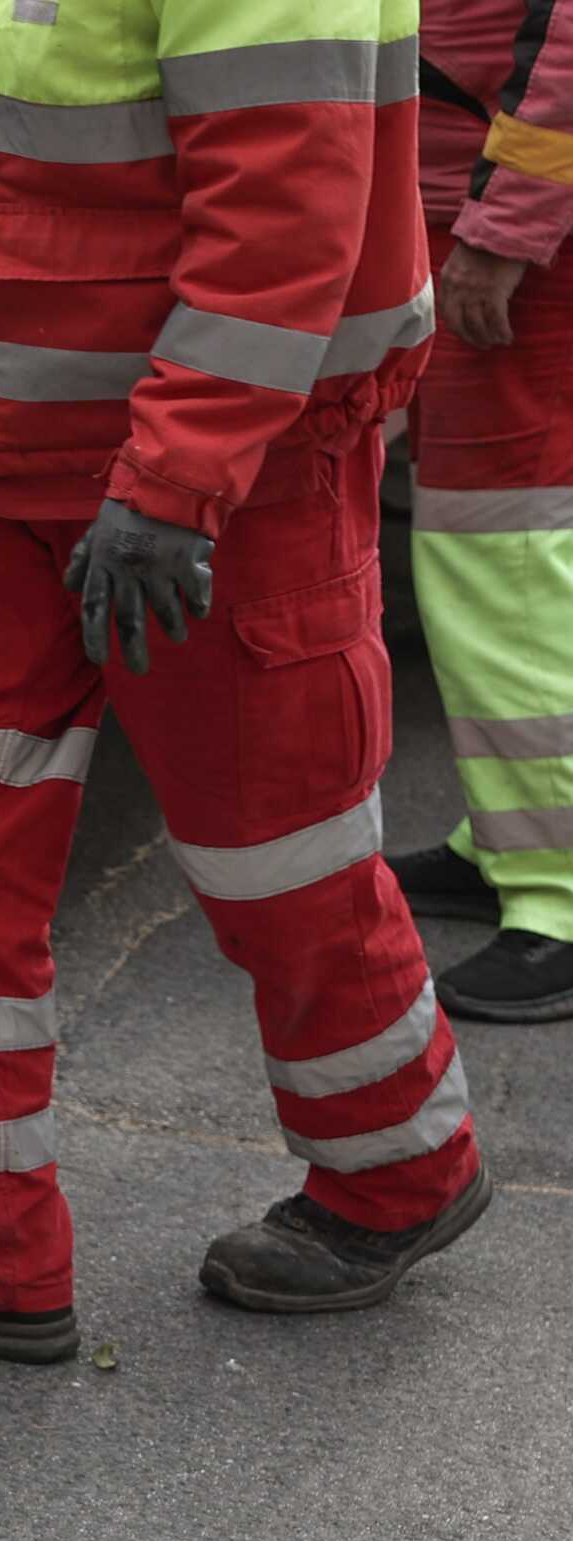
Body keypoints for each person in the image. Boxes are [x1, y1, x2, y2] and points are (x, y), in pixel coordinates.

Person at [0, 0, 490, 1363]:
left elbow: (286, 205)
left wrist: (177, 474)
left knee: (281, 856)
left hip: (217, 482)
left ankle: (397, 1174)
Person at [386, 0, 573, 1022]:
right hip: (481, 193)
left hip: (509, 214)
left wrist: (504, 226)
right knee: (515, 554)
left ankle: (559, 897)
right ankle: (508, 839)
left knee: (500, 558)